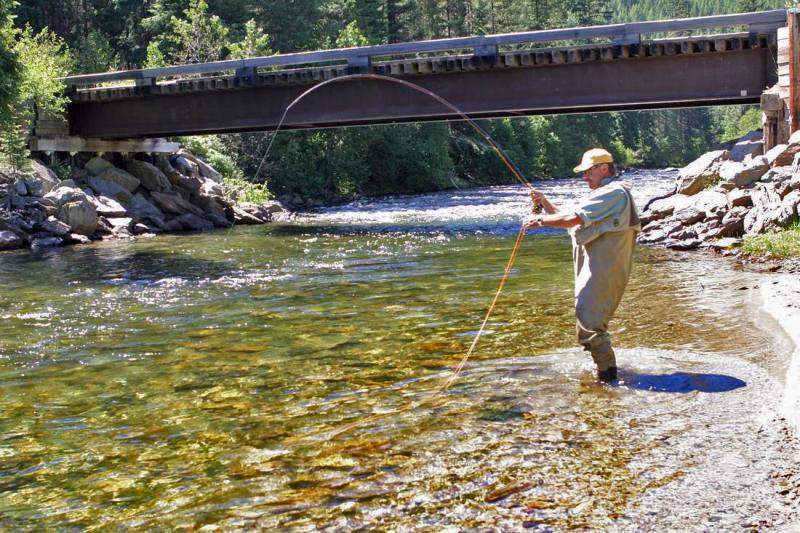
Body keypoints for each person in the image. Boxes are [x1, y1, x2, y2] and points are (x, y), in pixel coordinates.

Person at [523, 148, 641, 383]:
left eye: (588, 171)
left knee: (590, 324)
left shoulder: (613, 193)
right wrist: (544, 203)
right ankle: (606, 377)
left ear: (604, 168)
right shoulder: (604, 194)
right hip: (598, 269)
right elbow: (570, 220)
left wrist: (538, 220)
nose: (584, 177)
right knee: (587, 324)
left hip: (605, 270)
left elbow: (572, 219)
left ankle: (609, 381)